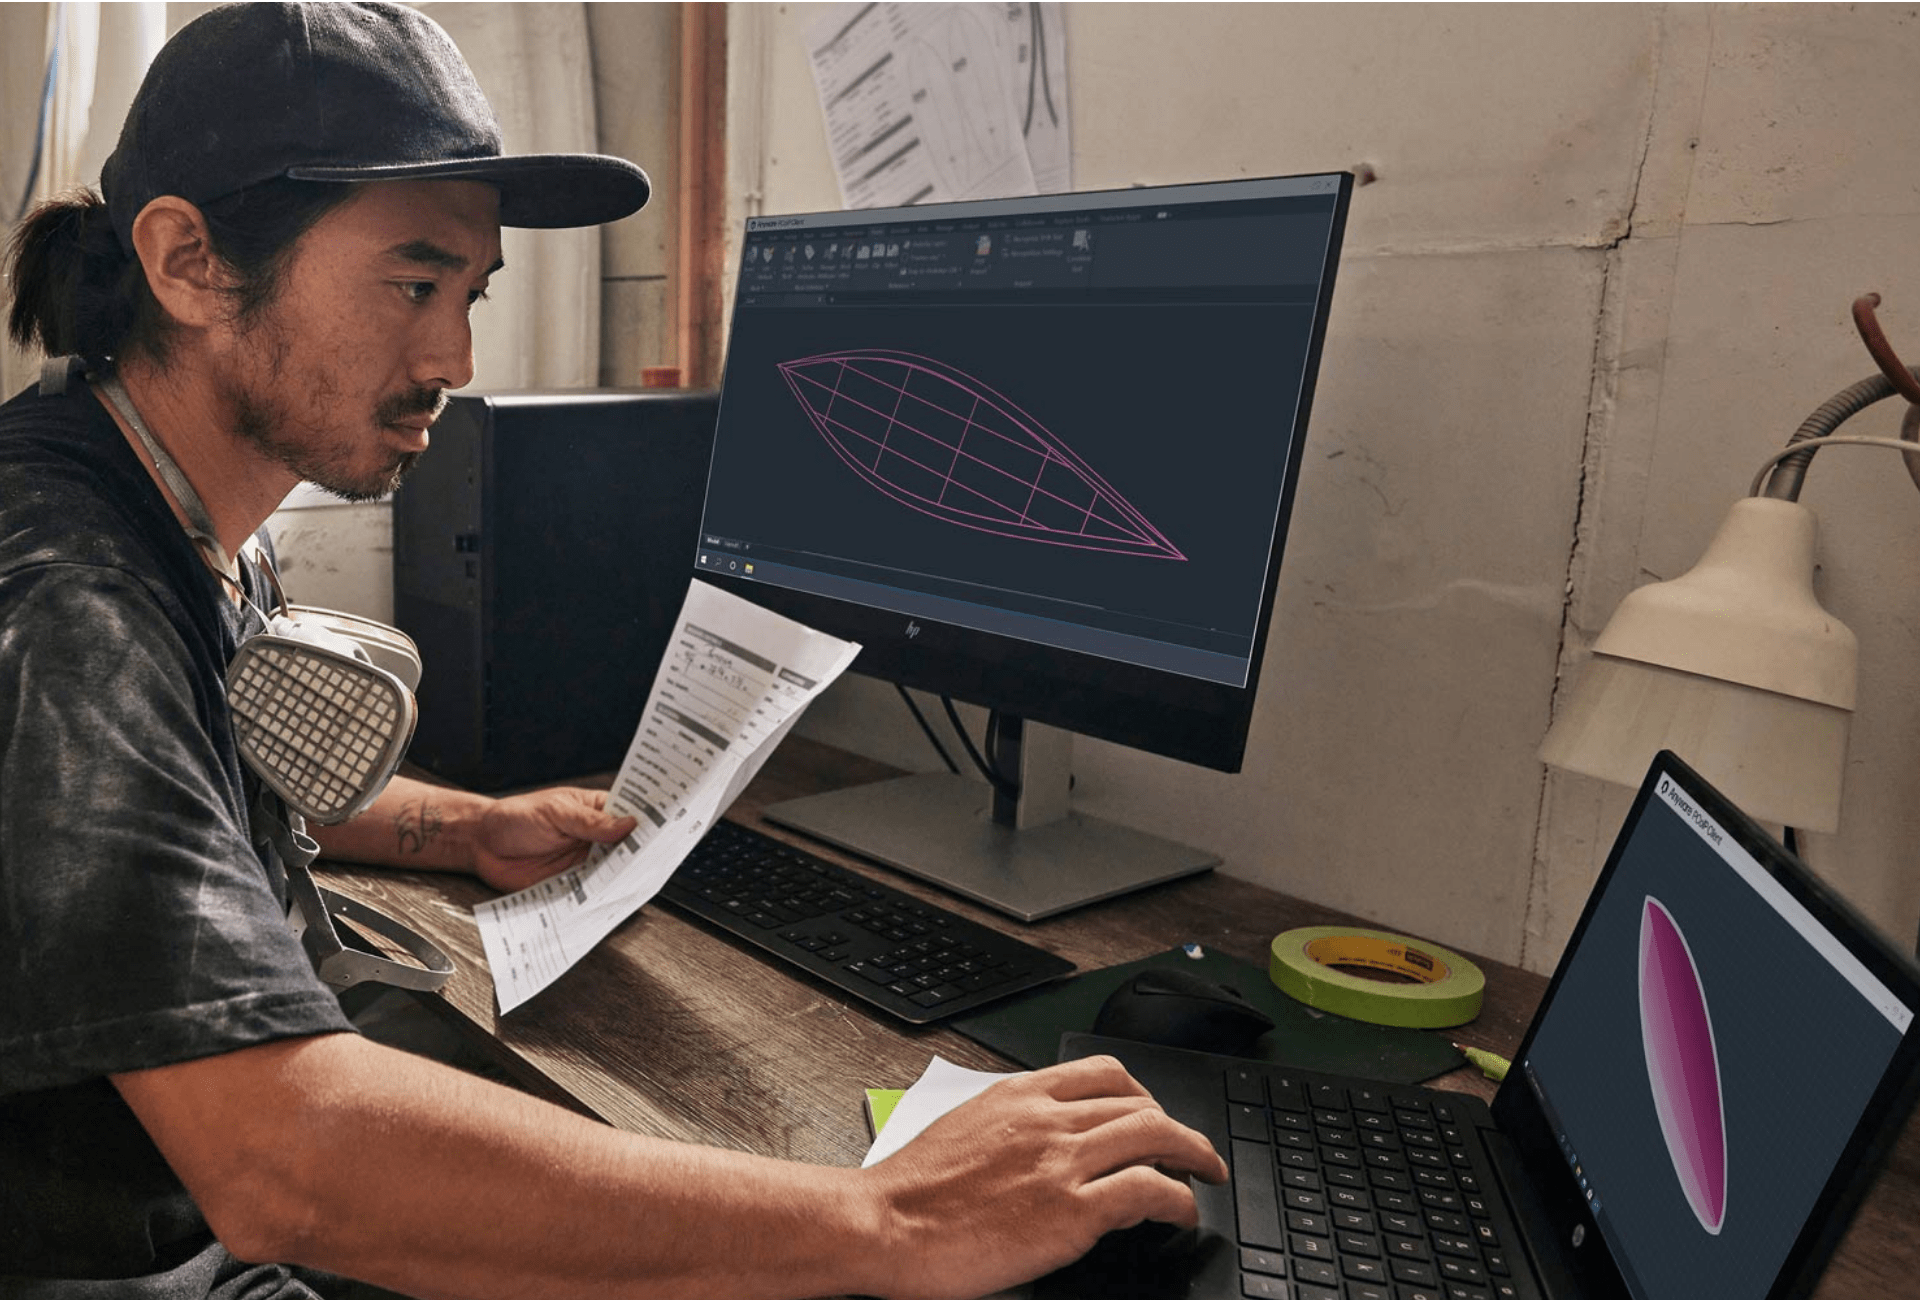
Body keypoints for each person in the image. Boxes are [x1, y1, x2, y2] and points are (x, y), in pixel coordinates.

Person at [0, 5, 1228, 1299]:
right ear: (190, 262)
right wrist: (890, 1222)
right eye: (413, 283)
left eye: (471, 296)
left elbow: (176, 802)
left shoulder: (152, 490)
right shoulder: (66, 601)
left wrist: (464, 828)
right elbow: (283, 1159)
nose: (455, 357)